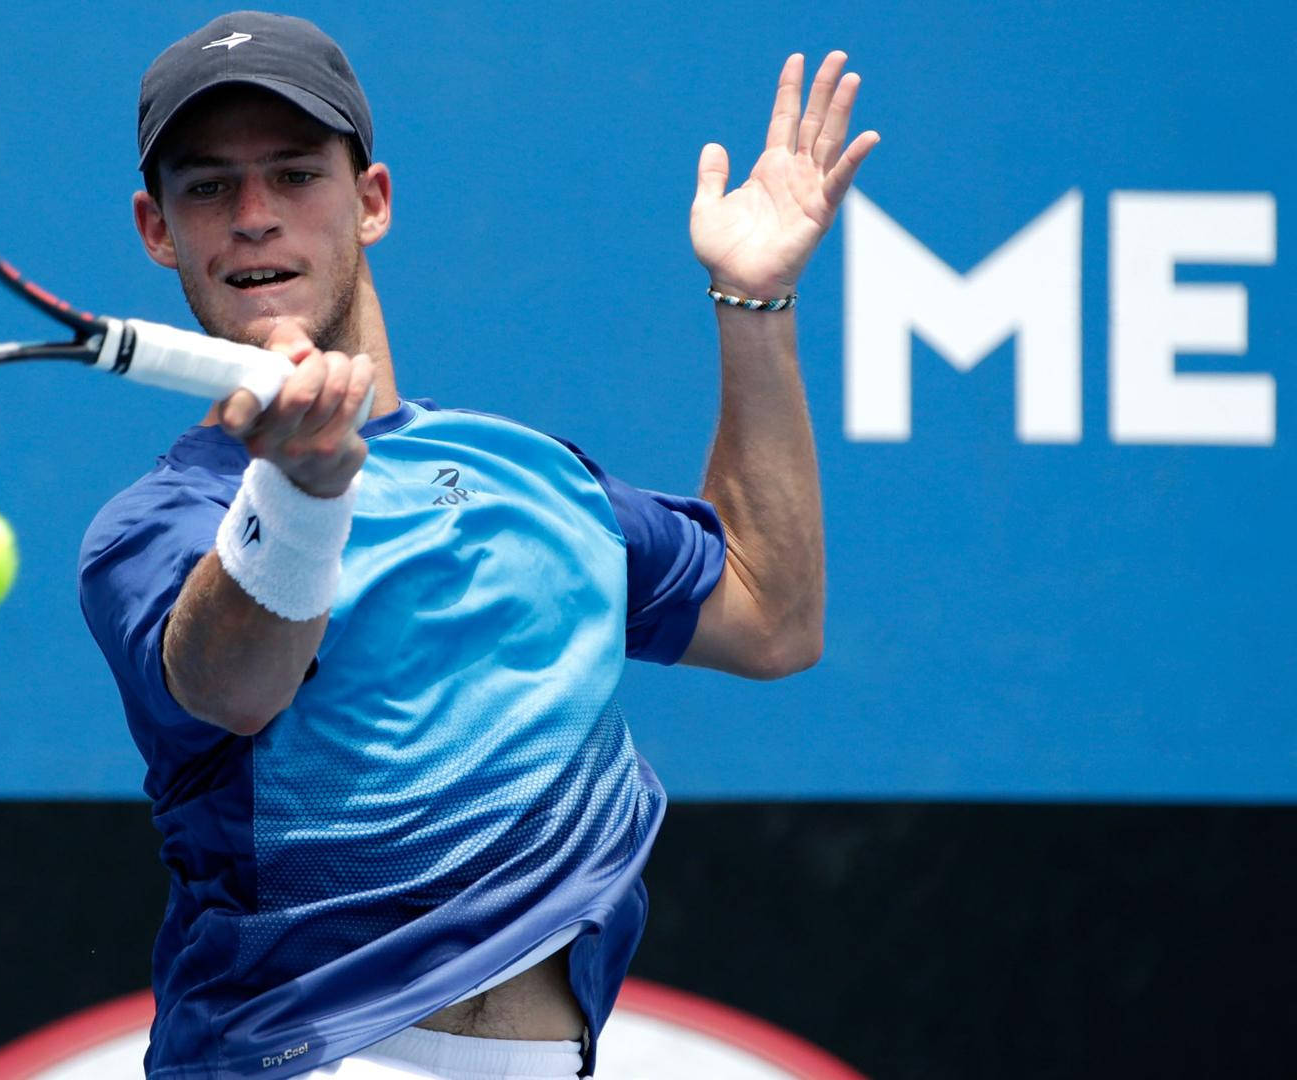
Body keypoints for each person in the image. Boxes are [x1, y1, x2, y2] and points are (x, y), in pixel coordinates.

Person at [77, 11, 876, 1078]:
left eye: (296, 175)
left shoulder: (531, 478)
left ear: (371, 203)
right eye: (209, 186)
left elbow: (771, 616)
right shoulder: (162, 524)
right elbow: (231, 685)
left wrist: (756, 301)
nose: (256, 217)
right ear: (157, 228)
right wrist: (303, 489)